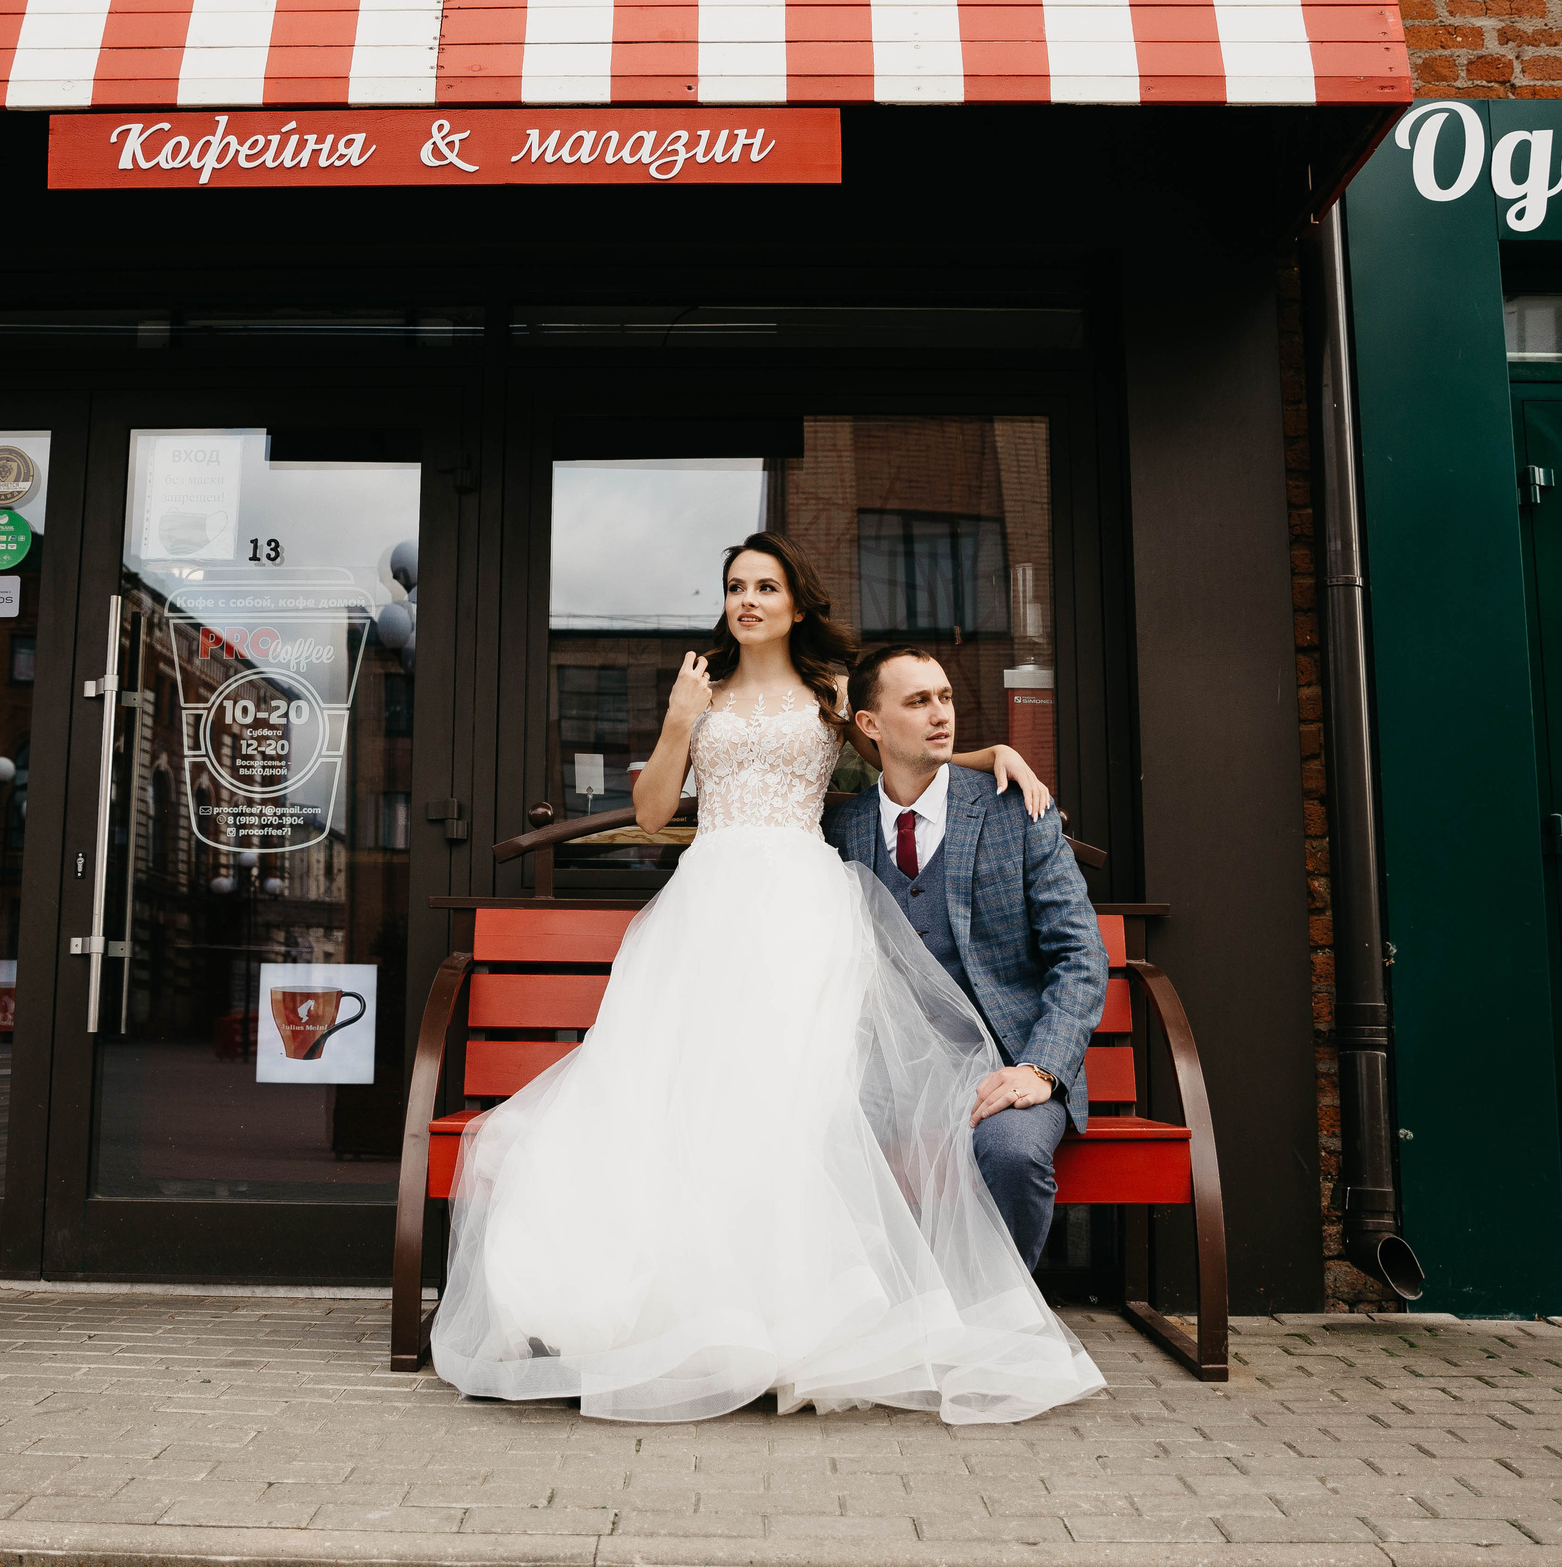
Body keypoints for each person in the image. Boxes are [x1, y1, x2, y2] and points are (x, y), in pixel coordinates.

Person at [430, 531, 1105, 1424]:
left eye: (766, 586)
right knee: (681, 1101)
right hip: (708, 903)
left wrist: (992, 756)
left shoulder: (831, 690)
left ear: (795, 601)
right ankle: (691, 1314)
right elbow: (649, 813)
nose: (748, 600)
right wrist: (677, 721)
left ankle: (797, 1318)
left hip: (803, 904)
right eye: (735, 586)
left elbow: (901, 742)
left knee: (793, 1102)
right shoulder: (698, 686)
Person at [822, 644, 1108, 1272]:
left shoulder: (1015, 809)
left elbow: (1081, 955)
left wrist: (1041, 1066)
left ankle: (998, 1321)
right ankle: (887, 1315)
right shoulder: (840, 832)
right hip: (890, 1073)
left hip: (1007, 1062)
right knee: (814, 1146)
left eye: (945, 697)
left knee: (1010, 1153)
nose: (940, 714)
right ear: (869, 724)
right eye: (918, 701)